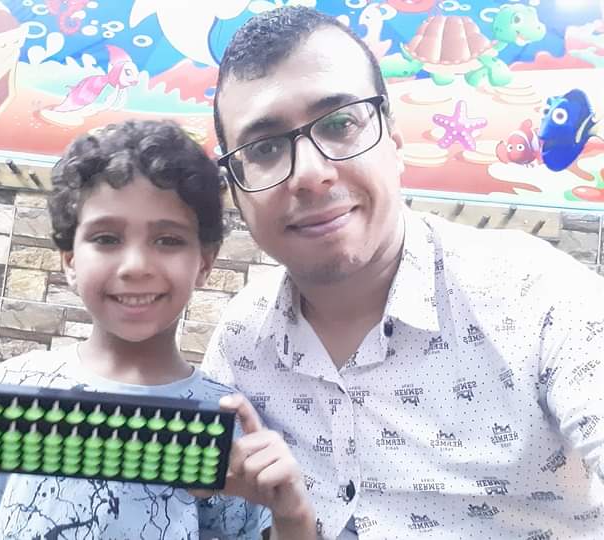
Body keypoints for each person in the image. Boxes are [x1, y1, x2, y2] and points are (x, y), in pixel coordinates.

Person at [202, 6, 604, 539]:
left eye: (340, 124)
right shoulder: (242, 342)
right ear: (235, 188)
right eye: (265, 148)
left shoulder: (538, 299)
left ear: (394, 143)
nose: (311, 174)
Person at [0, 120, 315, 539]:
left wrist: (292, 518)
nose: (135, 267)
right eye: (106, 238)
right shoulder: (15, 386)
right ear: (70, 261)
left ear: (204, 262)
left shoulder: (226, 426)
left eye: (168, 240)